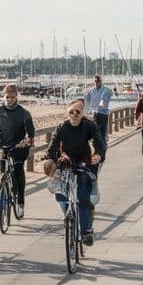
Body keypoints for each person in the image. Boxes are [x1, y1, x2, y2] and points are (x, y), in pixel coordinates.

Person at [46, 98, 105, 245]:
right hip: (66, 163)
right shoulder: (62, 127)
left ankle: (86, 232)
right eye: (71, 112)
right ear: (67, 113)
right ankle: (69, 215)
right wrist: (52, 159)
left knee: (83, 197)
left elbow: (100, 144)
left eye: (77, 112)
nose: (74, 115)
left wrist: (97, 155)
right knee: (59, 194)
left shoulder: (89, 125)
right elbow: (52, 148)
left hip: (84, 163)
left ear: (83, 113)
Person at [0, 83, 35, 209]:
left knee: (18, 171)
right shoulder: (0, 111)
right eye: (7, 97)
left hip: (19, 147)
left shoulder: (24, 113)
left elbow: (31, 132)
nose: (10, 100)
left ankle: (20, 200)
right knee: (3, 173)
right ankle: (0, 196)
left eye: (12, 97)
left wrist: (28, 140)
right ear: (4, 96)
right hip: (4, 147)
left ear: (16, 97)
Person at [84, 75, 113, 160]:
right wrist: (88, 110)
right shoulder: (91, 91)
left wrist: (103, 103)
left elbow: (110, 96)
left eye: (98, 81)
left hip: (103, 114)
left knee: (102, 136)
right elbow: (87, 101)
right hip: (94, 114)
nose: (97, 82)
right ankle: (97, 153)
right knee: (94, 135)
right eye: (95, 81)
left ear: (101, 81)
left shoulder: (106, 90)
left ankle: (102, 155)